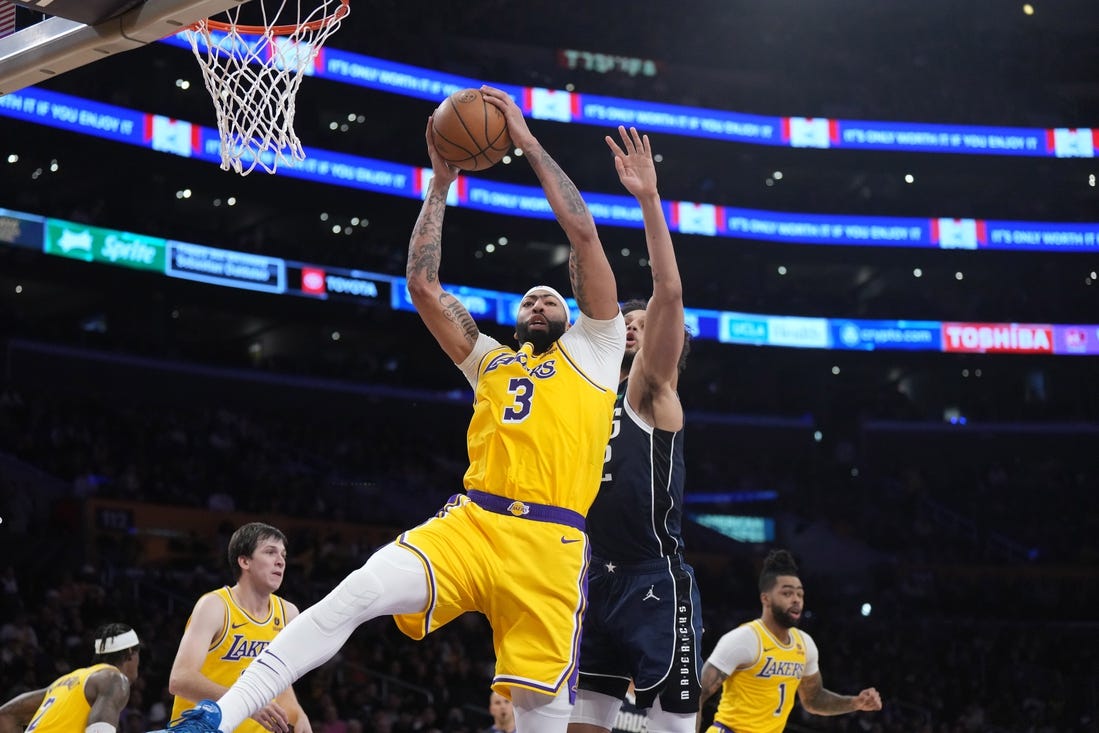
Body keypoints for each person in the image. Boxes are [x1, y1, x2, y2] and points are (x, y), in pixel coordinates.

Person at [153, 84, 625, 733]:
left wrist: (525, 139)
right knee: (355, 593)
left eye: (549, 298)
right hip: (475, 522)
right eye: (527, 301)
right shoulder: (490, 359)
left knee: (541, 719)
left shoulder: (596, 349)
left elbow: (582, 231)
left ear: (571, 314)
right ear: (514, 320)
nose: (538, 303)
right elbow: (423, 286)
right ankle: (215, 717)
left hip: (552, 544)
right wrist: (440, 181)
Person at [569, 126, 700, 733]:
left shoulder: (652, 392)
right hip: (595, 580)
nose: (630, 323)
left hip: (654, 582)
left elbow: (668, 290)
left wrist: (648, 199)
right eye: (626, 319)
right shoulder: (593, 398)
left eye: (641, 321)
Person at [696, 550, 882, 733]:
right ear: (766, 599)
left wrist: (855, 702)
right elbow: (697, 693)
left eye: (800, 594)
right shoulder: (744, 639)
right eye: (787, 594)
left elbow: (814, 700)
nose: (796, 600)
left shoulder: (805, 644)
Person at [167, 523, 312, 733]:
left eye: (283, 555)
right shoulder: (215, 606)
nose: (280, 561)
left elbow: (281, 682)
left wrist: (298, 715)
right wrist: (246, 703)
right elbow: (180, 679)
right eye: (270, 552)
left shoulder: (288, 613)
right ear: (244, 561)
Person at [0, 622, 140, 733]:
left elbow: (5, 715)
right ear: (130, 652)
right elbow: (100, 729)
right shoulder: (114, 678)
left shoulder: (63, 682)